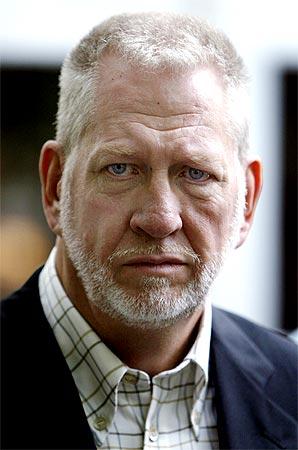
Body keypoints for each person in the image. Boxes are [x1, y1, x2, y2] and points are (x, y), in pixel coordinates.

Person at [1, 12, 297, 450]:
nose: (160, 219)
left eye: (196, 173)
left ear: (247, 202)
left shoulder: (292, 388)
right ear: (55, 187)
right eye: (121, 168)